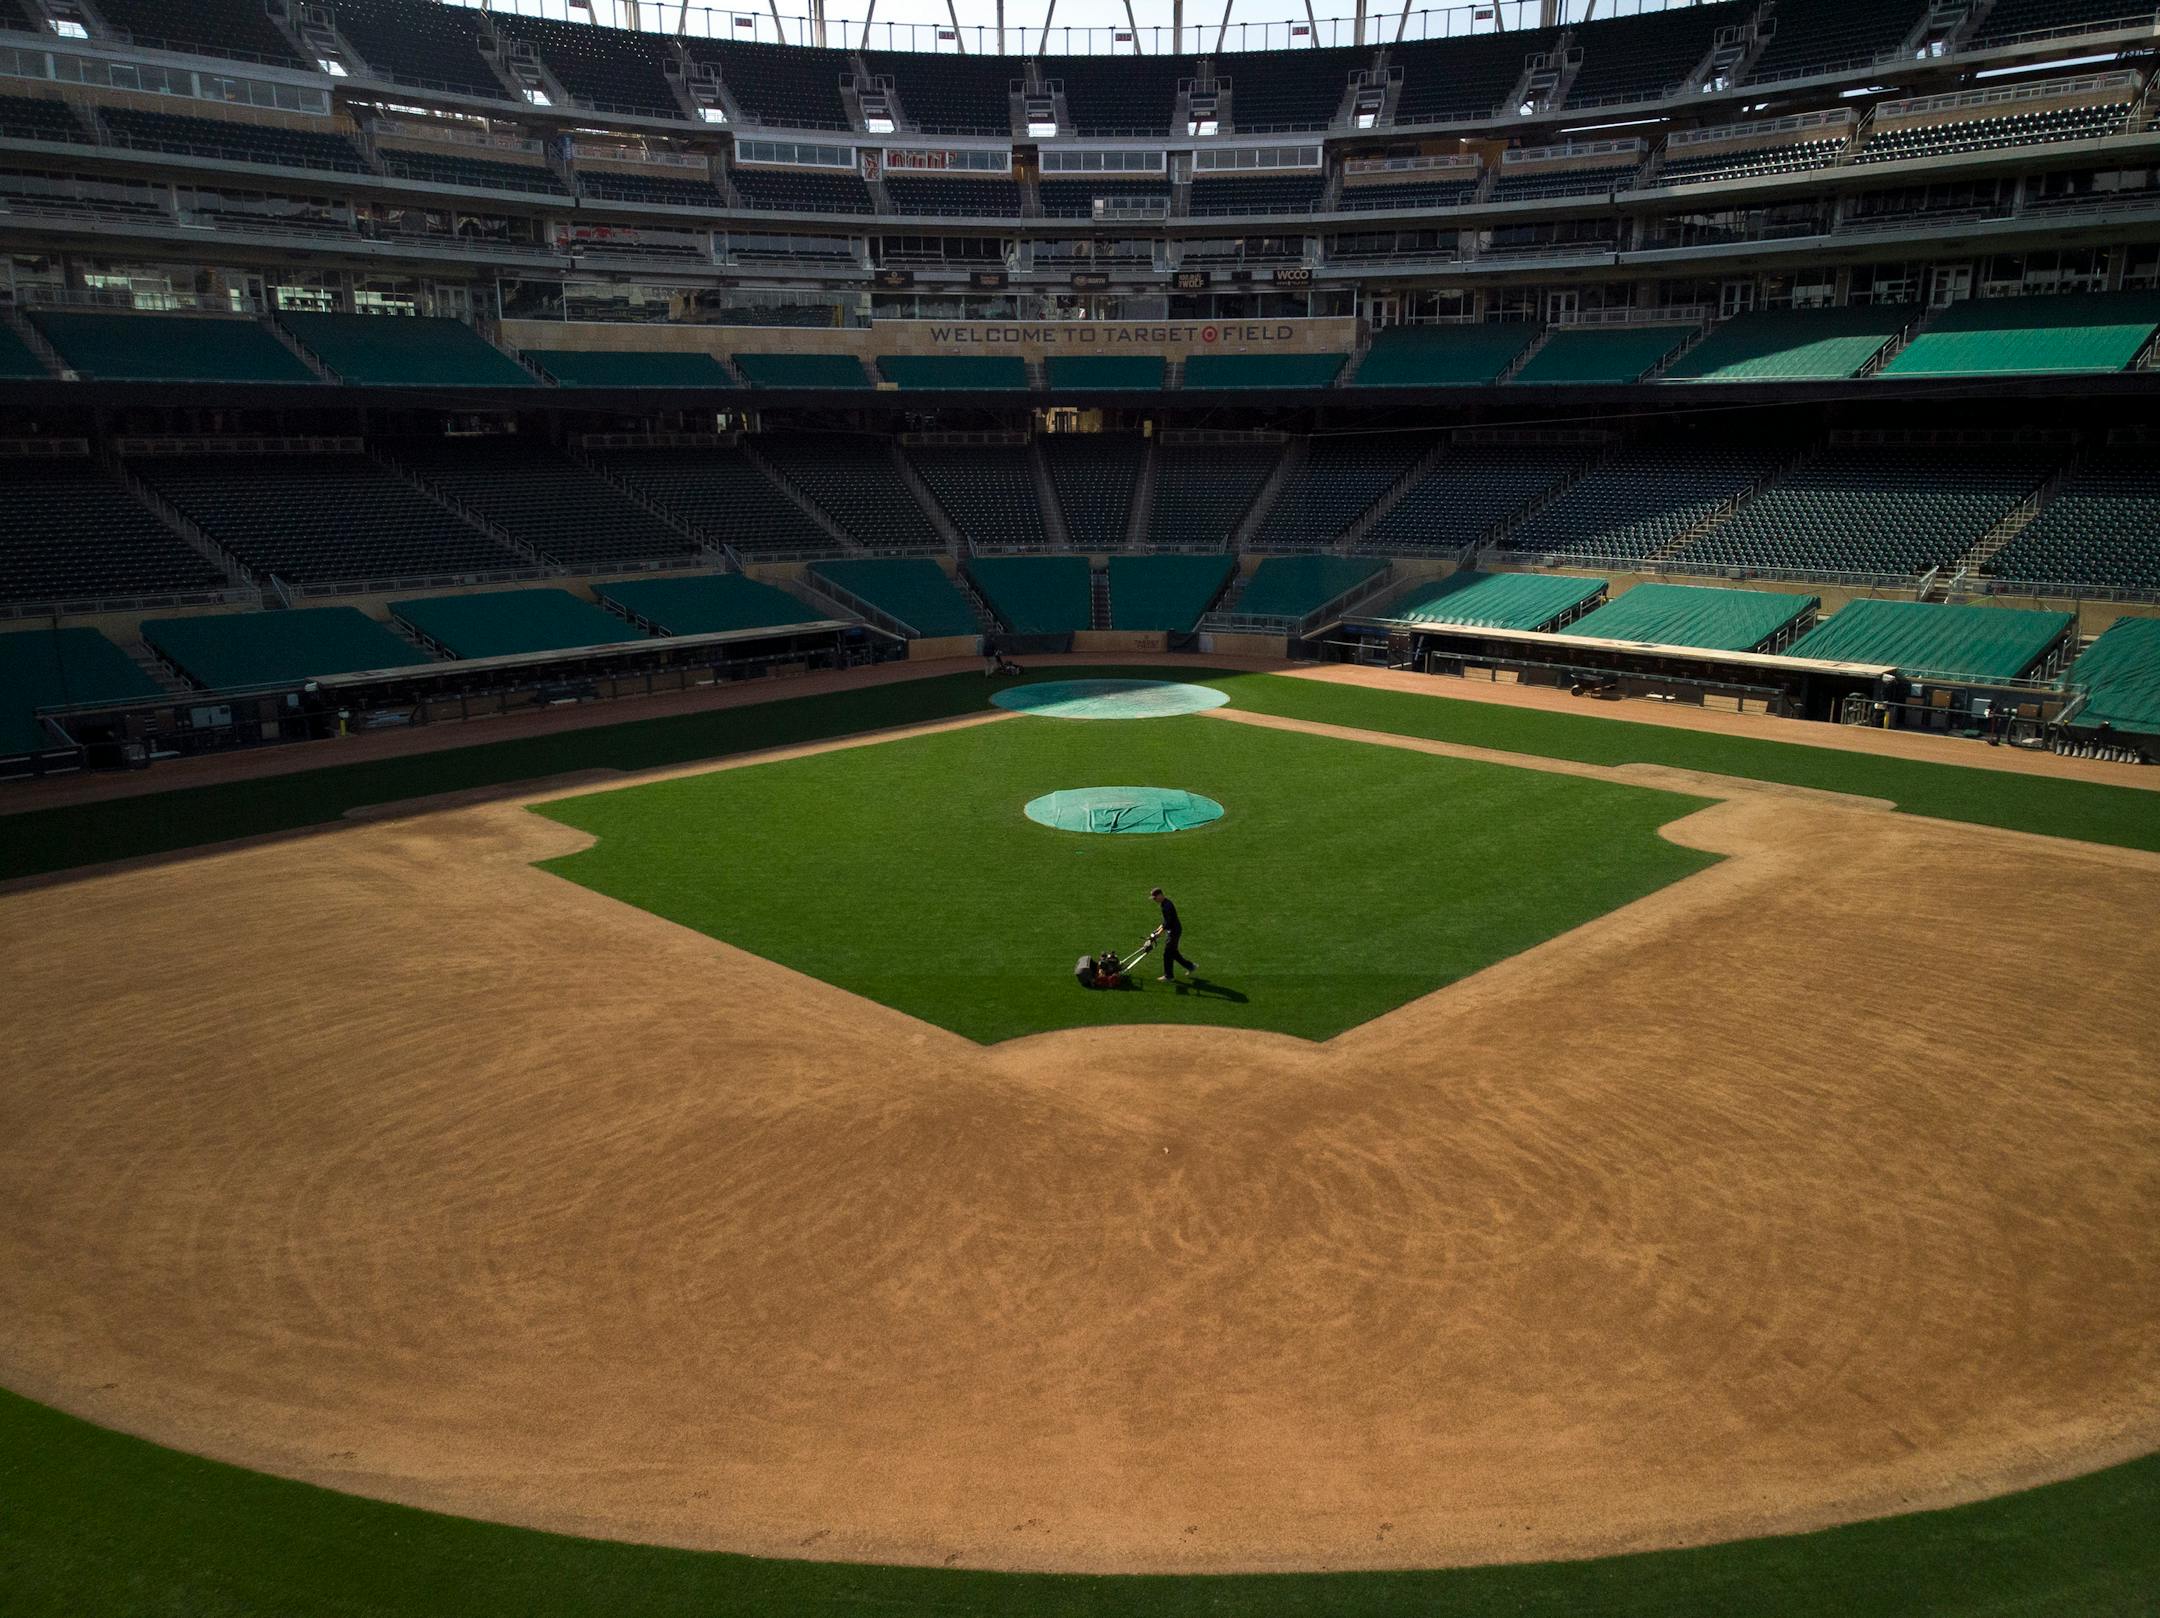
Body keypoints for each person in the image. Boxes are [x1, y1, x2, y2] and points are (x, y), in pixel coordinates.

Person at [1148, 887, 1196, 983]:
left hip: (1174, 931)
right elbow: (1165, 922)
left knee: (1167, 953)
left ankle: (1169, 976)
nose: (1154, 900)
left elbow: (1168, 923)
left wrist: (1159, 934)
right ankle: (1190, 966)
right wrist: (1156, 931)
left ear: (1160, 895)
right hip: (1173, 930)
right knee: (1173, 952)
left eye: (1155, 898)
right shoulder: (1164, 904)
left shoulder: (1167, 906)